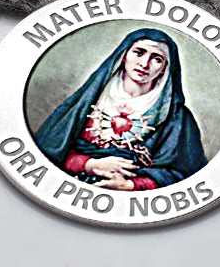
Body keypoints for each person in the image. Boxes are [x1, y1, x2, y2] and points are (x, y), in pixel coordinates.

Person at [32, 28, 207, 190]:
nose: (144, 64)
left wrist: (130, 185)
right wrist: (90, 164)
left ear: (164, 69)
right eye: (139, 52)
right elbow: (47, 150)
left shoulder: (177, 118)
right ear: (124, 56)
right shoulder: (86, 101)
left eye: (157, 59)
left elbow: (185, 174)